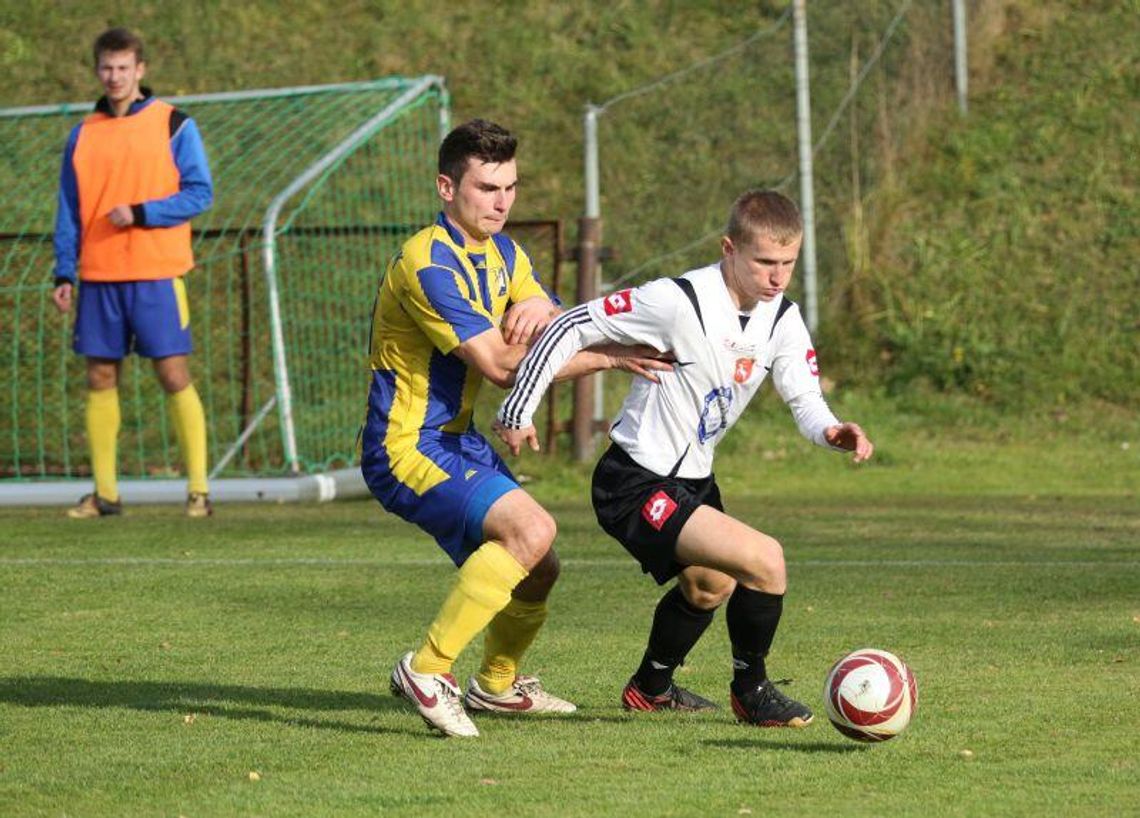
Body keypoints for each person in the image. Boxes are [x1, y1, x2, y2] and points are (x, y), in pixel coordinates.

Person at [494, 189, 874, 727]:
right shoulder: (678, 300)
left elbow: (804, 397)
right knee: (766, 561)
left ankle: (651, 687)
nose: (778, 277)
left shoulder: (781, 318)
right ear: (728, 248)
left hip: (692, 480)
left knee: (709, 584)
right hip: (634, 483)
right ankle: (753, 690)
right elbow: (568, 324)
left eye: (788, 263)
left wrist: (830, 430)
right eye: (765, 262)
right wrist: (518, 406)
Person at [363, 119, 670, 738]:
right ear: (446, 188)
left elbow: (562, 327)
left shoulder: (506, 254)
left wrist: (550, 312)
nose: (501, 201)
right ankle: (427, 670)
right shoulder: (427, 262)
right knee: (533, 528)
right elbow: (504, 364)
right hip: (405, 445)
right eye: (485, 187)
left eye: (510, 187)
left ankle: (497, 686)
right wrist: (610, 355)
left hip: (457, 439)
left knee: (540, 564)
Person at [51, 27, 215, 519]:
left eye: (124, 67)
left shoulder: (174, 125)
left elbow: (199, 193)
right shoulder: (82, 134)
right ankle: (106, 494)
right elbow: (67, 209)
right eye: (107, 68)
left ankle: (199, 492)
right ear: (97, 70)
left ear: (140, 70)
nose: (115, 76)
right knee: (99, 377)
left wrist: (142, 212)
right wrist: (64, 272)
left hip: (157, 274)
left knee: (172, 373)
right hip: (99, 276)